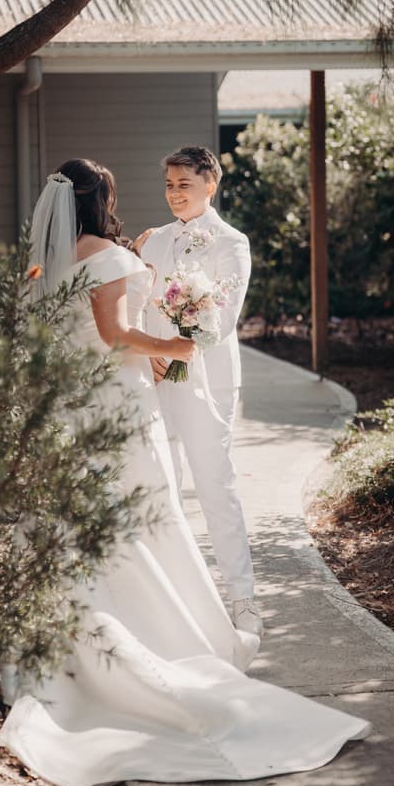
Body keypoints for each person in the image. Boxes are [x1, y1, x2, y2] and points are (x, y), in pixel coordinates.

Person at [0, 159, 370, 786]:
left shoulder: (57, 262)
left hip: (75, 406)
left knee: (97, 521)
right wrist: (171, 348)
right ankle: (153, 638)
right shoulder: (111, 259)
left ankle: (73, 644)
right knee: (142, 514)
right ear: (99, 199)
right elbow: (115, 335)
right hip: (117, 402)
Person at [139, 146, 261, 635]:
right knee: (160, 483)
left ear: (211, 185)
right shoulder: (152, 242)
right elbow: (138, 304)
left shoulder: (232, 243)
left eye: (183, 184)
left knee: (215, 486)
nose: (174, 194)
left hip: (207, 380)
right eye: (169, 185)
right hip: (153, 378)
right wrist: (149, 351)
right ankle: (174, 598)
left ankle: (243, 597)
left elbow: (223, 318)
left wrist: (174, 348)